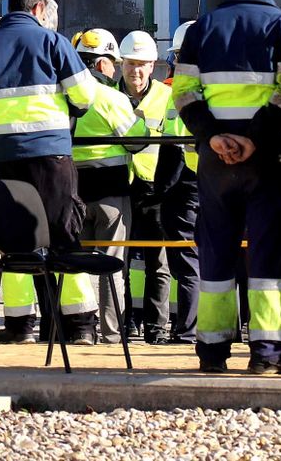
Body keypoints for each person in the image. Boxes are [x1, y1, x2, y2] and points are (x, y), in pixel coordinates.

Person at [172, 0, 281, 376]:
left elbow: (182, 92)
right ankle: (268, 354)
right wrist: (254, 140)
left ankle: (212, 352)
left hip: (215, 163)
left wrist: (215, 137)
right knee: (269, 254)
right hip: (268, 159)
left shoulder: (201, 28)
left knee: (215, 252)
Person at [0, 0, 97, 344]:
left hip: (6, 160)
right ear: (37, 10)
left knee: (17, 242)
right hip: (52, 158)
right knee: (64, 237)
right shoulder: (53, 43)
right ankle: (78, 325)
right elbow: (85, 95)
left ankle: (21, 327)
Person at [62, 29, 138, 345]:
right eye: (113, 63)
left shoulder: (63, 97)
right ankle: (111, 333)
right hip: (111, 198)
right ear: (101, 64)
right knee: (112, 268)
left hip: (73, 197)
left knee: (75, 266)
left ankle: (80, 330)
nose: (116, 70)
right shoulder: (111, 98)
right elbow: (136, 142)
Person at [120, 29, 177, 344]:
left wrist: (165, 188)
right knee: (122, 263)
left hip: (155, 189)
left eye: (142, 64)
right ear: (121, 64)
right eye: (130, 63)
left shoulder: (166, 97)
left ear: (153, 65)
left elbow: (176, 145)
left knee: (158, 263)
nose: (136, 71)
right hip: (121, 188)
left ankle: (156, 328)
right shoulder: (111, 96)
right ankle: (127, 322)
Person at [154, 25, 200, 345]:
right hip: (210, 183)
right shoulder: (215, 89)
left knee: (186, 263)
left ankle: (187, 330)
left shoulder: (171, 92)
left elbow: (169, 146)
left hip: (182, 185)